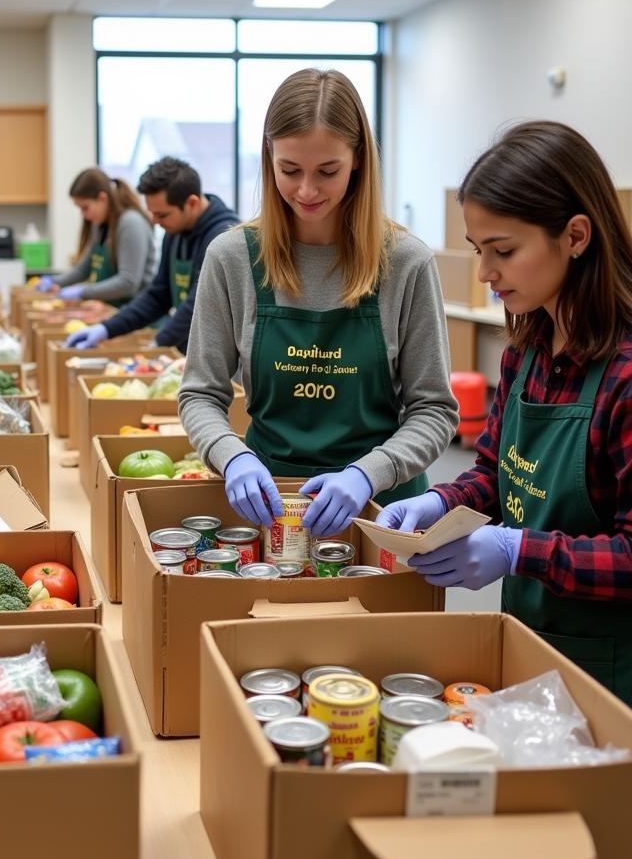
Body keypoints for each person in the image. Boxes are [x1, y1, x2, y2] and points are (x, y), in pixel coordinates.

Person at [377, 121, 632, 704]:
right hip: (528, 641)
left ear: (575, 235)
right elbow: (495, 469)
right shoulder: (531, 348)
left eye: (504, 251)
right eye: (478, 251)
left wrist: (518, 550)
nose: (486, 273)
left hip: (609, 670)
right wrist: (440, 501)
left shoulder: (624, 376)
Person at [178, 68, 458, 538]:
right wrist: (234, 457)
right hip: (271, 505)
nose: (306, 191)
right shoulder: (231, 258)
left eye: (327, 171)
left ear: (359, 162)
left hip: (382, 511)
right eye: (290, 170)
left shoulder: (407, 263)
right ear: (268, 160)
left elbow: (434, 409)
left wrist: (368, 473)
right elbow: (200, 393)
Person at [66, 157, 239, 352]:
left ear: (192, 203)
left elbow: (199, 304)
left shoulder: (224, 237)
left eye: (162, 215)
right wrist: (107, 328)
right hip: (187, 348)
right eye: (152, 213)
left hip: (220, 358)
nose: (155, 221)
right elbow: (158, 295)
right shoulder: (175, 232)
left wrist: (159, 342)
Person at [35, 168, 156, 306]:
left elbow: (128, 282)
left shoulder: (130, 223)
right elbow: (83, 269)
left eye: (85, 208)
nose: (83, 215)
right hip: (112, 310)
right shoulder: (100, 225)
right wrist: (54, 281)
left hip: (137, 314)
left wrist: (82, 292)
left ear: (102, 198)